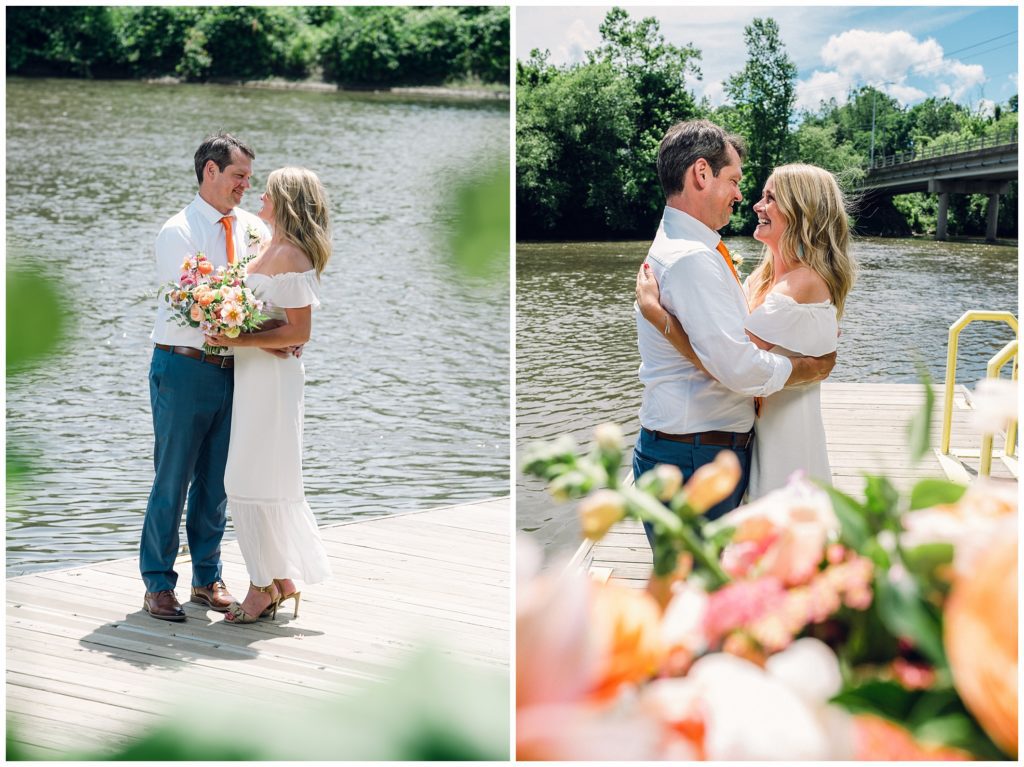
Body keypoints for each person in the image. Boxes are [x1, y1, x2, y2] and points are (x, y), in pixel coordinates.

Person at [629, 120, 837, 547]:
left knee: (702, 585)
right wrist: (808, 368)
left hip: (699, 449)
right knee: (697, 588)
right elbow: (738, 367)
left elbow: (729, 353)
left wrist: (658, 315)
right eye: (735, 180)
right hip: (693, 455)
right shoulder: (692, 259)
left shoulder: (693, 250)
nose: (743, 196)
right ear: (701, 174)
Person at [141, 133, 271, 621]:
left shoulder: (255, 229)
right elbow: (196, 304)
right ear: (210, 171)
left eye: (249, 179)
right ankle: (157, 584)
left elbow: (267, 290)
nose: (244, 186)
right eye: (238, 176)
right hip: (183, 366)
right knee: (171, 480)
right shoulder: (179, 231)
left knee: (218, 483)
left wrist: (282, 329)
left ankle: (206, 578)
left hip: (236, 370)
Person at [204, 167, 333, 624]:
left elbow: (300, 330)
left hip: (273, 382)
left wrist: (231, 339)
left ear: (285, 200)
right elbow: (272, 322)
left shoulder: (293, 255)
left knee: (249, 478)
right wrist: (226, 319)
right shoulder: (268, 247)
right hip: (255, 374)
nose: (260, 195)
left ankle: (262, 586)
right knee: (251, 476)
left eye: (269, 190)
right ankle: (280, 580)